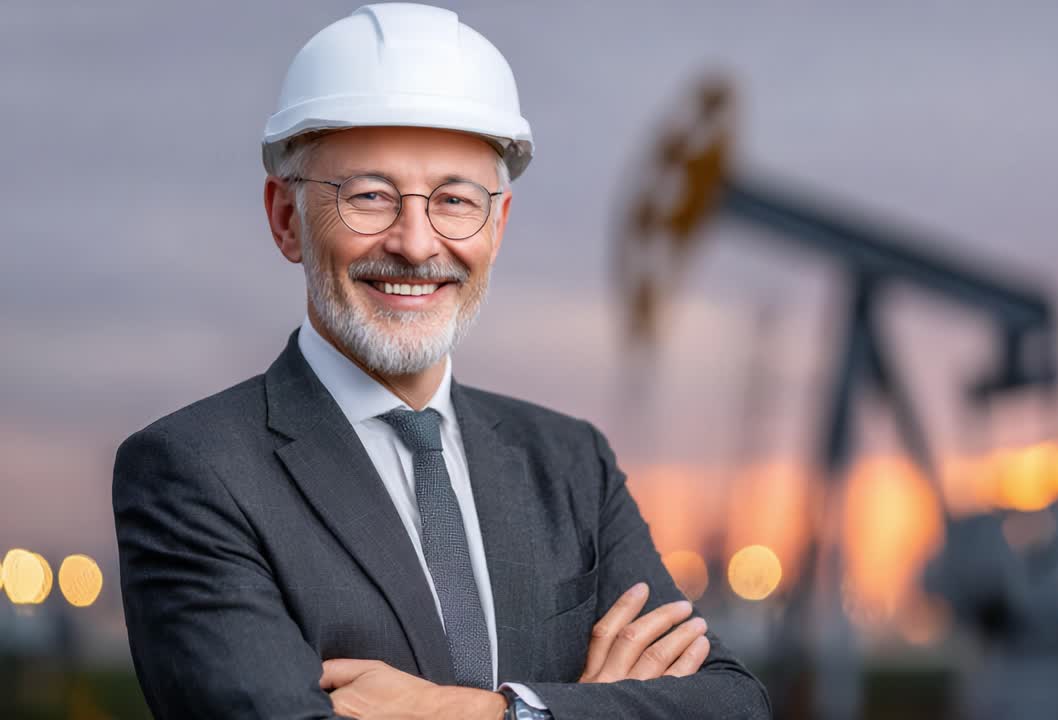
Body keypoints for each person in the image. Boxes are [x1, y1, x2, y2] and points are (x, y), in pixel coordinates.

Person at [111, 4, 770, 719]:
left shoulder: (572, 466)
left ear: (498, 225)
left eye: (455, 200)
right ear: (285, 220)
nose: (417, 244)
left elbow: (731, 705)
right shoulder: (194, 473)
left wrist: (494, 712)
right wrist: (589, 706)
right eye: (369, 196)